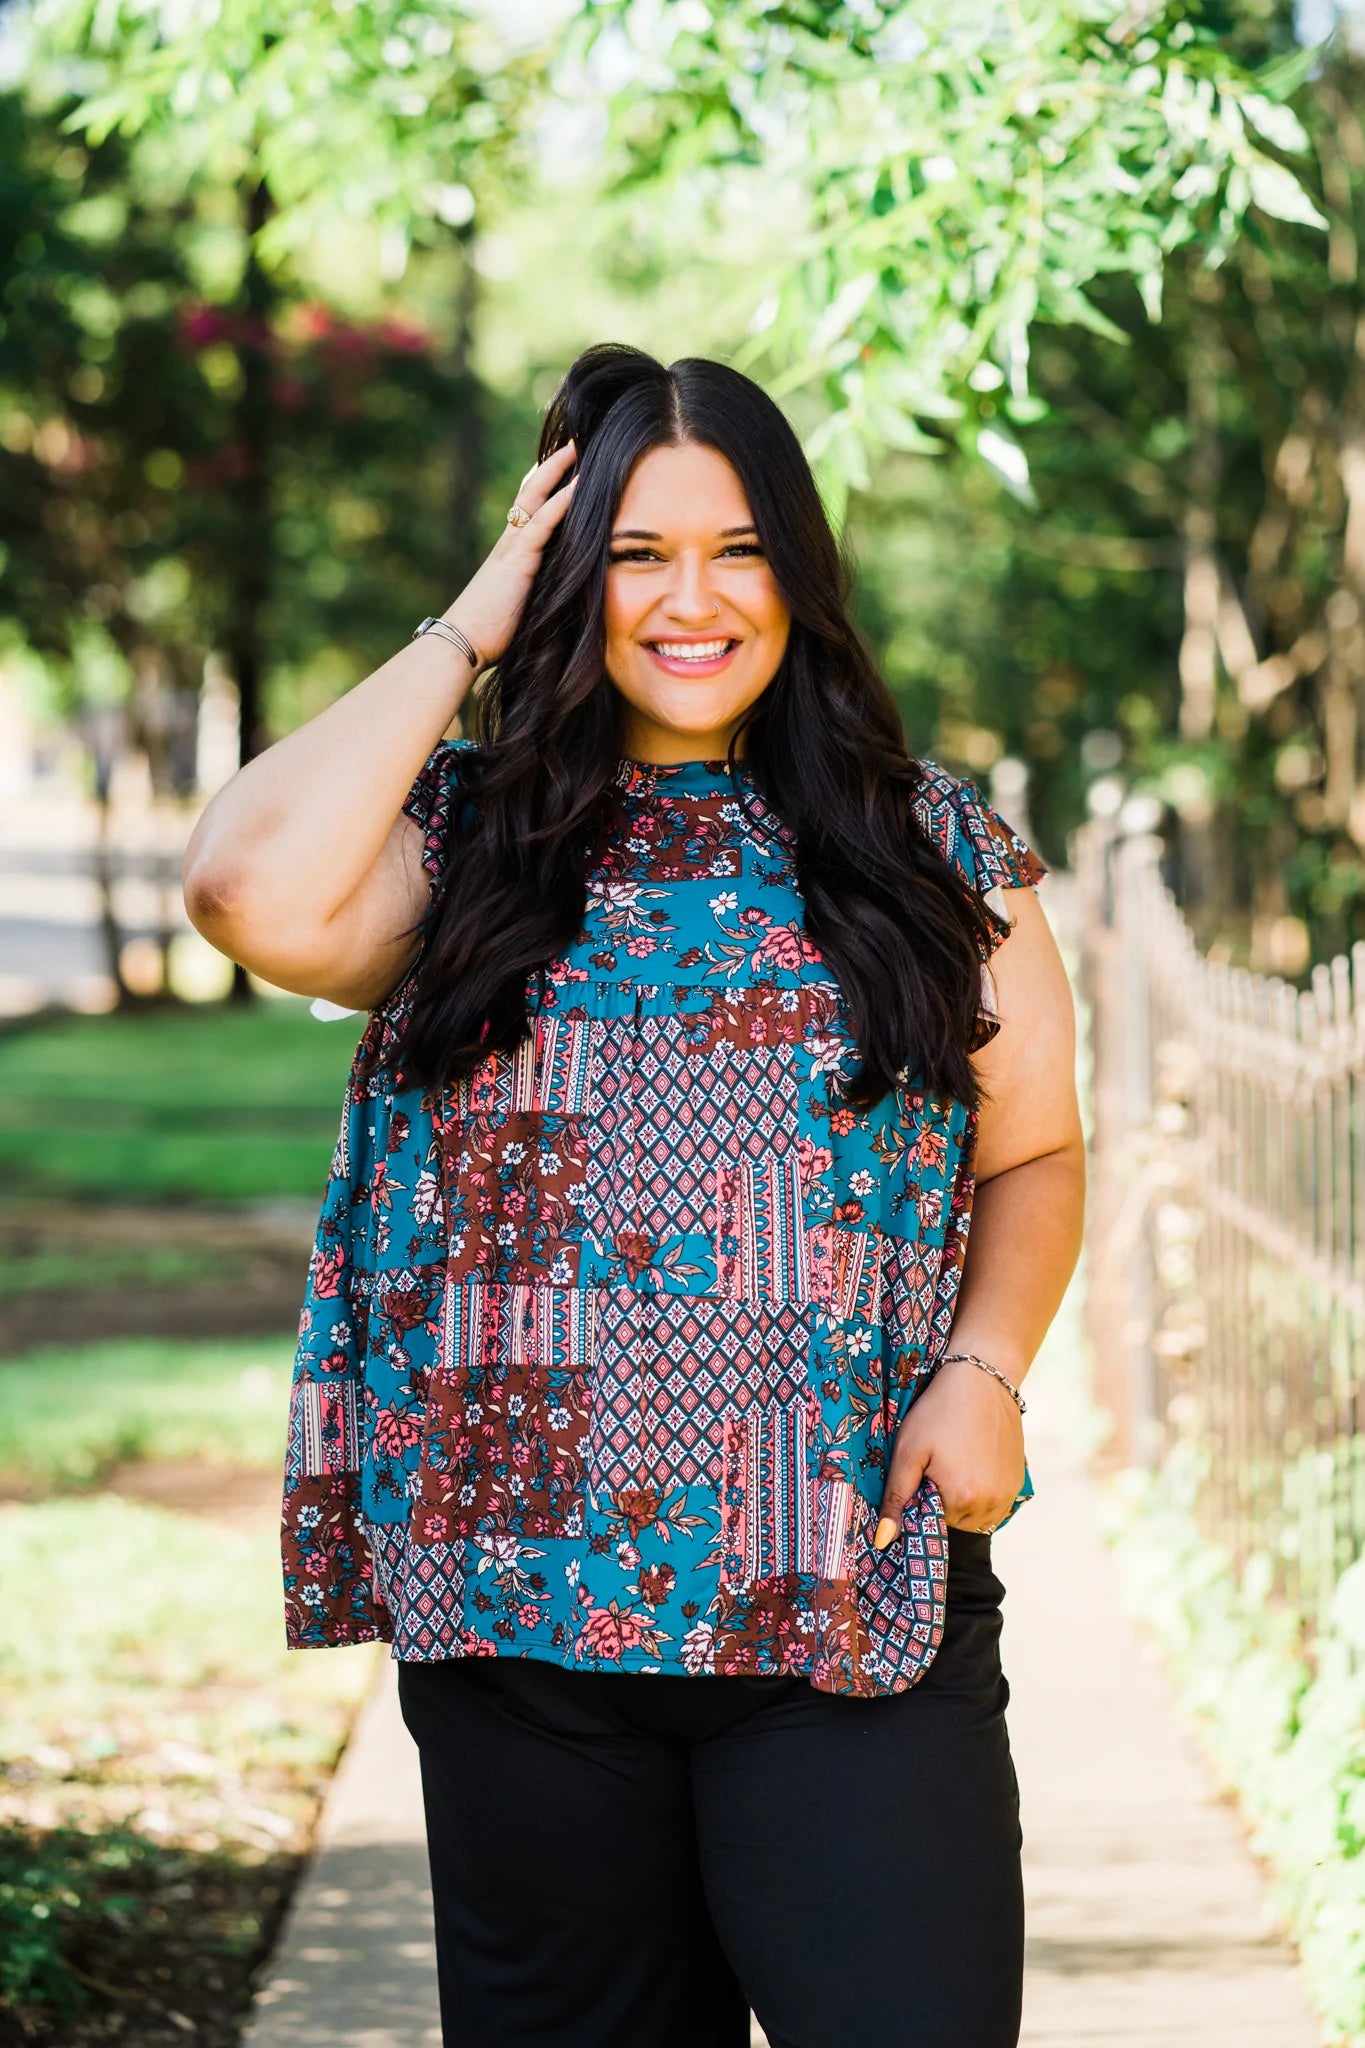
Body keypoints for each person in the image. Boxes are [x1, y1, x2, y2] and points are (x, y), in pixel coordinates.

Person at [183, 342, 1084, 2048]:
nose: (693, 599)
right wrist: (471, 619)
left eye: (736, 549)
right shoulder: (458, 851)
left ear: (796, 574)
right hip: (525, 1635)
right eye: (634, 551)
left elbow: (1030, 1147)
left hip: (847, 1602)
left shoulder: (928, 850)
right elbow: (243, 886)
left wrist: (984, 1371)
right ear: (563, 570)